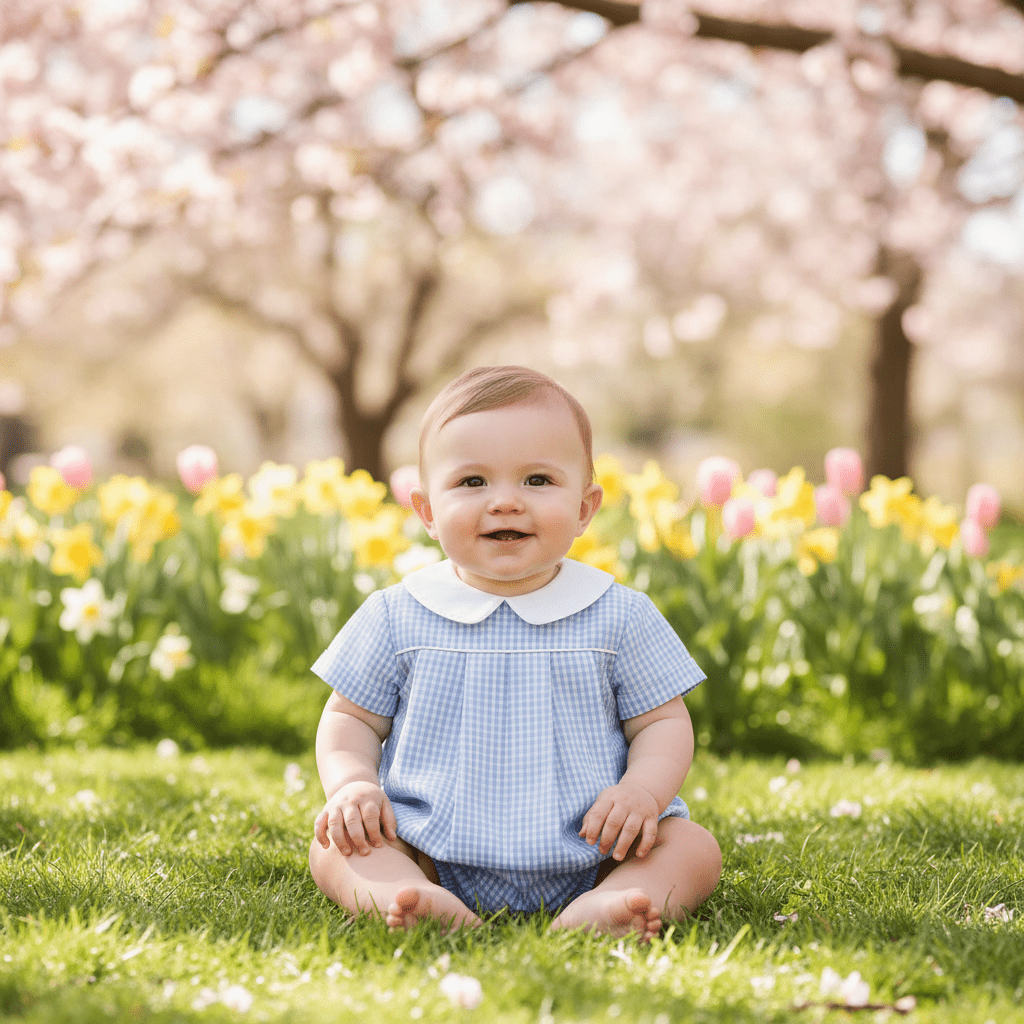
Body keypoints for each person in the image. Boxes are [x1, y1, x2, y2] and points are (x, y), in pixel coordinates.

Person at [309, 366, 721, 940]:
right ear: (427, 512)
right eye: (473, 482)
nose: (505, 503)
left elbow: (663, 722)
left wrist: (641, 792)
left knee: (692, 847)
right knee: (336, 845)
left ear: (584, 507)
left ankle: (613, 901)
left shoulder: (619, 613)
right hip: (428, 841)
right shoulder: (397, 613)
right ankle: (410, 895)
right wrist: (352, 784)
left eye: (537, 480)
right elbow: (350, 717)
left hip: (599, 847)